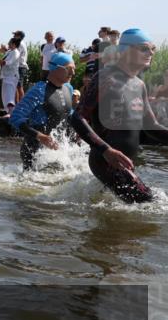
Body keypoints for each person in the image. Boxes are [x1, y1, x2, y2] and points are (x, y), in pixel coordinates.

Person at [70, 29, 168, 203]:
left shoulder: (139, 84)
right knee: (151, 203)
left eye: (153, 49)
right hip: (105, 160)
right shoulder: (107, 77)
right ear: (125, 50)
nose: (151, 53)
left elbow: (151, 125)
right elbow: (77, 117)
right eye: (145, 48)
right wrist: (105, 150)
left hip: (125, 162)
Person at [10, 52, 77, 170]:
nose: (73, 73)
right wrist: (40, 136)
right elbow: (15, 117)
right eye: (69, 69)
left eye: (74, 69)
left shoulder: (69, 88)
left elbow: (69, 114)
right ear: (55, 68)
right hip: (35, 152)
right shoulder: (39, 90)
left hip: (58, 151)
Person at [0, 38, 21, 115]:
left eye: (10, 43)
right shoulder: (9, 52)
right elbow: (3, 61)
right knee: (5, 94)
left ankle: (11, 112)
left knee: (9, 94)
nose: (8, 44)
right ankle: (8, 111)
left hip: (12, 76)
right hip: (6, 76)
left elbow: (8, 62)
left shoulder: (16, 52)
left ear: (14, 44)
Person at [12, 30, 29, 103]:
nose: (13, 36)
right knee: (16, 86)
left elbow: (15, 54)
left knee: (19, 86)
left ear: (19, 36)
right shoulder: (20, 43)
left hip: (20, 67)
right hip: (18, 67)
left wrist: (5, 50)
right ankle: (17, 104)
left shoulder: (20, 44)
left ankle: (21, 105)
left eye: (15, 35)